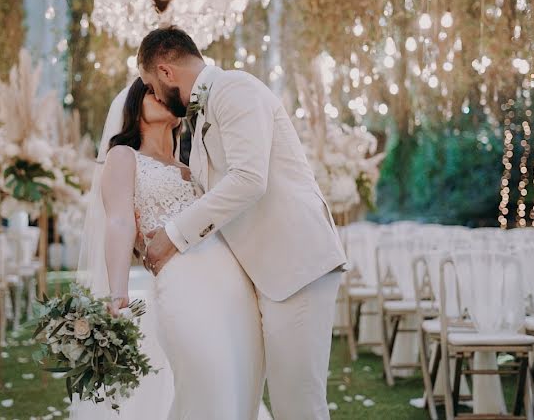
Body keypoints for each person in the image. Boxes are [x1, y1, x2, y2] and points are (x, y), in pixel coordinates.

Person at [140, 26, 347, 420]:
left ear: (166, 72)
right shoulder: (200, 117)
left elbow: (249, 179)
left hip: (296, 264)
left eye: (150, 85)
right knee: (281, 401)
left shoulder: (235, 88)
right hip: (266, 272)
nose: (153, 95)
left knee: (298, 405)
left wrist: (174, 235)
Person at [79, 78, 266, 420]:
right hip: (181, 284)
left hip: (233, 287)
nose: (163, 95)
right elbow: (119, 222)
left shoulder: (191, 170)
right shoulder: (123, 156)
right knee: (206, 382)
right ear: (134, 106)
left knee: (239, 381)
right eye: (151, 91)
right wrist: (117, 293)